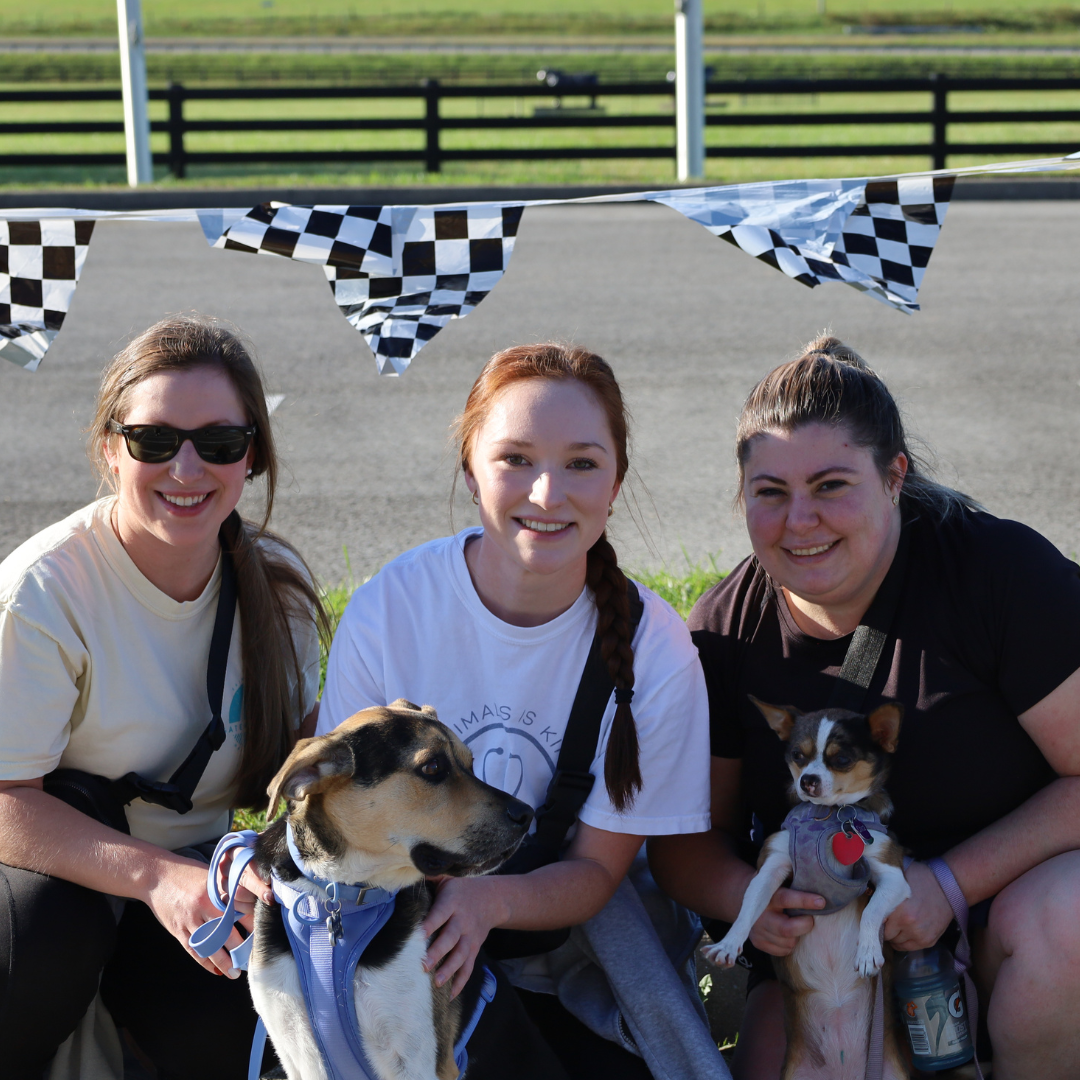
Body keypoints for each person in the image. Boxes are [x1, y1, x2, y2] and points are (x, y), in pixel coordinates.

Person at [648, 335, 1080, 1080]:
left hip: (1008, 918)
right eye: (771, 492)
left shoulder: (999, 573)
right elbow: (686, 843)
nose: (800, 521)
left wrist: (946, 885)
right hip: (835, 948)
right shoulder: (721, 631)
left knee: (1068, 924)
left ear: (894, 477)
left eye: (831, 485)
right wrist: (759, 904)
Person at [318, 343, 719, 1080]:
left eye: (581, 463)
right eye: (515, 459)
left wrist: (486, 904)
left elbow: (596, 875)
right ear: (471, 471)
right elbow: (345, 830)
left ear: (616, 482)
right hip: (407, 937)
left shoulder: (656, 649)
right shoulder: (392, 608)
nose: (546, 493)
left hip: (570, 954)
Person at [0, 315, 328, 1080]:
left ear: (252, 458)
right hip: (55, 894)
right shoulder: (44, 591)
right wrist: (157, 877)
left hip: (197, 893)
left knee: (256, 1043)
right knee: (54, 929)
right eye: (154, 441)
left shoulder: (275, 590)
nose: (187, 467)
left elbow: (310, 764)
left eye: (218, 444)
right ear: (111, 450)